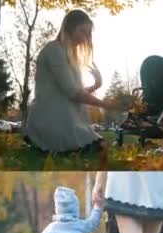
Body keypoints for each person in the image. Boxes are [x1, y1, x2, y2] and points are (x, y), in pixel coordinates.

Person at [25, 9, 127, 153]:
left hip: (65, 120)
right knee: (99, 147)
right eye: (82, 31)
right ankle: (41, 141)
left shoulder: (68, 55)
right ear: (69, 28)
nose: (85, 37)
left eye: (88, 33)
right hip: (51, 120)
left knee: (101, 146)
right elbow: (73, 93)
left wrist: (95, 86)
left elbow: (71, 93)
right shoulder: (54, 50)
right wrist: (108, 105)